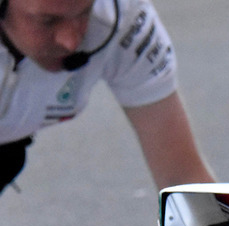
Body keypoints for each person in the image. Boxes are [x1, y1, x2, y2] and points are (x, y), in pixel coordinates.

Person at [0, 0, 215, 191]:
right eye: (47, 21)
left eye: (84, 13)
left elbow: (183, 179)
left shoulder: (124, 16)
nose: (70, 42)